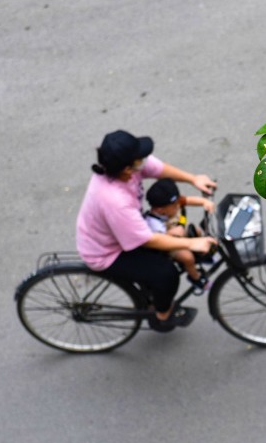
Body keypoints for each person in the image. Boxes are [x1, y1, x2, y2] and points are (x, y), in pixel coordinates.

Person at [76, 130, 218, 332]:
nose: (144, 161)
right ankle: (161, 317)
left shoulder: (123, 169)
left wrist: (193, 179)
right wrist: (190, 243)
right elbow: (148, 239)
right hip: (107, 252)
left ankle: (151, 295)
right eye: (139, 159)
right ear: (127, 169)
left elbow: (158, 168)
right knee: (166, 274)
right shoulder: (114, 200)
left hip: (122, 232)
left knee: (163, 259)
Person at [143, 177, 214, 291]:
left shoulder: (171, 204)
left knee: (196, 230)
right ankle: (195, 277)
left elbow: (187, 200)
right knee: (187, 257)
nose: (178, 206)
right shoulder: (154, 223)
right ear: (161, 210)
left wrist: (204, 202)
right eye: (175, 206)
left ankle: (201, 255)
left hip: (178, 233)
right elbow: (158, 241)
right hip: (168, 244)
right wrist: (170, 233)